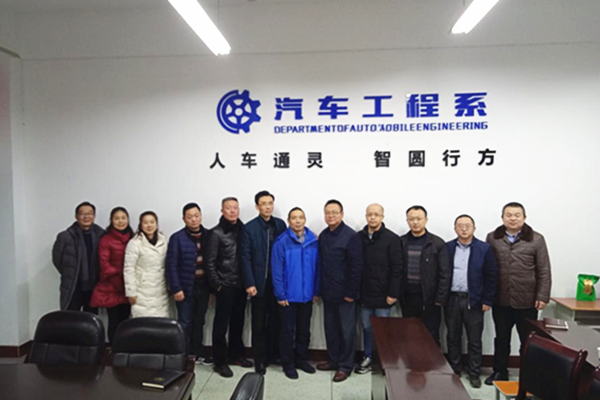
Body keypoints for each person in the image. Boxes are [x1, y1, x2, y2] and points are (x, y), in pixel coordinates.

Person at [484, 202, 551, 385]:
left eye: (517, 215)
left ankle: (528, 376)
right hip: (501, 299)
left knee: (528, 341)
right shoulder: (493, 238)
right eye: (509, 215)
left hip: (527, 300)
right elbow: (487, 268)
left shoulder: (536, 239)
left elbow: (544, 270)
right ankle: (500, 372)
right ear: (502, 218)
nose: (512, 218)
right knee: (501, 338)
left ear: (524, 218)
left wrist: (542, 296)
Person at [445, 214, 497, 388]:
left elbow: (491, 276)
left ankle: (474, 372)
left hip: (474, 300)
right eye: (460, 225)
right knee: (453, 337)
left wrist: (487, 300)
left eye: (467, 225)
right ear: (455, 228)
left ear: (474, 228)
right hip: (452, 299)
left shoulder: (484, 249)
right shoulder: (448, 247)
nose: (464, 228)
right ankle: (455, 369)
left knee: (474, 340)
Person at [240, 190, 287, 375]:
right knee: (258, 323)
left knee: (276, 321)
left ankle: (272, 355)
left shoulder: (280, 225)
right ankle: (259, 360)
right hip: (259, 283)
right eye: (263, 204)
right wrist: (249, 283)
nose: (267, 207)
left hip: (277, 282)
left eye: (270, 203)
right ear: (257, 207)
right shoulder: (249, 228)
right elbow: (245, 258)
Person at [205, 197, 252, 378]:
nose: (232, 211)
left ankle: (236, 356)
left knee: (238, 322)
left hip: (241, 285)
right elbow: (209, 263)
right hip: (224, 285)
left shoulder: (244, 230)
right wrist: (217, 285)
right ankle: (220, 362)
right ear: (222, 211)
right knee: (221, 325)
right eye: (228, 208)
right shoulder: (215, 233)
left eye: (235, 208)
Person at [316, 199, 363, 383]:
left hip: (345, 294)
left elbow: (356, 267)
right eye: (327, 212)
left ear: (342, 214)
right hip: (328, 292)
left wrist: (351, 292)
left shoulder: (351, 236)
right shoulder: (324, 235)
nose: (331, 216)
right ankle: (333, 360)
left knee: (347, 331)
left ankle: (345, 366)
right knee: (331, 329)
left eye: (334, 212)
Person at [272, 207, 320, 380]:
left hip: (307, 296)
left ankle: (301, 359)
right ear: (288, 221)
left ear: (305, 220)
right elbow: (277, 270)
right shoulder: (281, 242)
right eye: (294, 218)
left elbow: (318, 268)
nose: (298, 221)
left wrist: (316, 290)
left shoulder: (313, 240)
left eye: (301, 217)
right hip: (288, 297)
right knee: (287, 332)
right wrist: (280, 294)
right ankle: (288, 363)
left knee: (304, 331)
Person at [356, 204, 402, 374]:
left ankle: (385, 360)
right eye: (370, 214)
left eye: (376, 214)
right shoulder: (358, 238)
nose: (373, 217)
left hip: (384, 295)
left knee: (384, 331)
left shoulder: (392, 239)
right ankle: (368, 357)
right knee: (367, 328)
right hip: (365, 294)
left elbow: (397, 268)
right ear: (366, 216)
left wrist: (393, 293)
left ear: (382, 217)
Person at [166, 203, 213, 365]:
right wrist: (176, 288)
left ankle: (197, 353)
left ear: (201, 216)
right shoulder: (177, 238)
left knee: (200, 322)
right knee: (184, 323)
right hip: (185, 288)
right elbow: (171, 265)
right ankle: (184, 355)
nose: (194, 219)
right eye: (189, 217)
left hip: (204, 287)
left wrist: (212, 289)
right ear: (184, 219)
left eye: (196, 215)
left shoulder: (209, 235)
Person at [399, 205, 450, 347]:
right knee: (409, 332)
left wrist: (440, 298)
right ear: (407, 221)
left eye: (419, 219)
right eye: (411, 219)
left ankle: (431, 361)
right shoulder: (401, 242)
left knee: (430, 333)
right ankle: (412, 360)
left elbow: (444, 273)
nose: (415, 222)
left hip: (430, 298)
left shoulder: (437, 243)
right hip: (407, 296)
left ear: (426, 220)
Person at [90, 207, 134, 343]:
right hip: (112, 287)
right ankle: (114, 350)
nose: (120, 221)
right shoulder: (106, 240)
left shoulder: (133, 238)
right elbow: (105, 266)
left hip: (129, 287)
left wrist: (129, 285)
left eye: (123, 218)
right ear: (111, 221)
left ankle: (124, 349)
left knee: (127, 322)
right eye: (116, 218)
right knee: (114, 321)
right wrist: (121, 283)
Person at [52, 201, 105, 312]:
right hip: (73, 285)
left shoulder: (102, 235)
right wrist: (71, 272)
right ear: (76, 216)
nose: (86, 217)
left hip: (94, 286)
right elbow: (57, 260)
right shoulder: (65, 237)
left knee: (91, 318)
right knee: (71, 317)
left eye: (89, 213)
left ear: (94, 216)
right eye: (82, 214)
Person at [123, 211, 171, 318]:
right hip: (142, 291)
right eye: (145, 222)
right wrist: (131, 292)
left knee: (161, 322)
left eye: (152, 222)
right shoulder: (134, 243)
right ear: (140, 225)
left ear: (156, 224)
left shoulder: (163, 240)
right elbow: (129, 269)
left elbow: (167, 264)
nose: (149, 225)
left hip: (160, 290)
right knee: (143, 323)